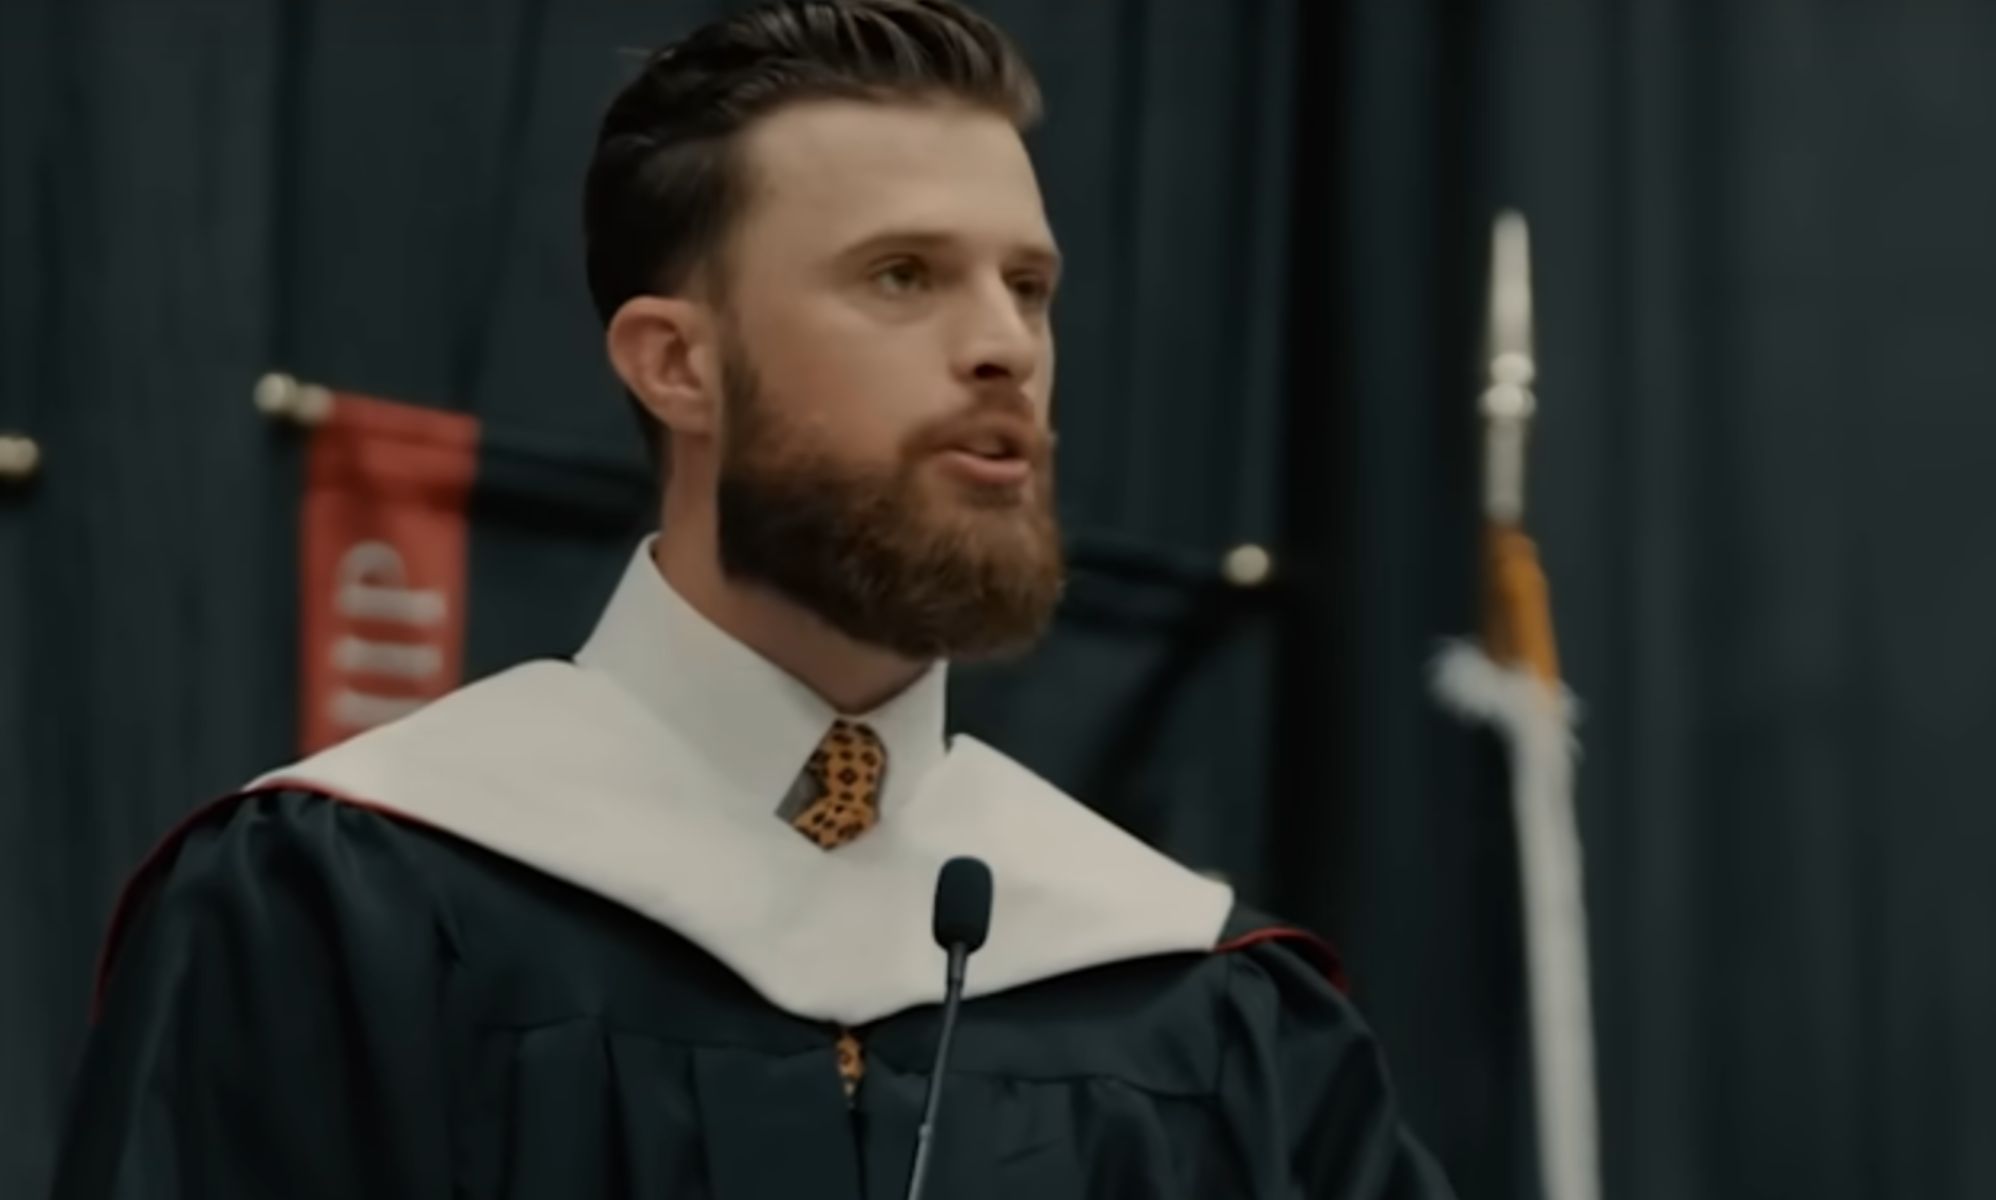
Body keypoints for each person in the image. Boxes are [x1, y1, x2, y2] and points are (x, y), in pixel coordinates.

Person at [53, 2, 1454, 1196]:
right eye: (903, 276)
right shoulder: (343, 911)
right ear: (676, 363)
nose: (1002, 349)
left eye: (1028, 288)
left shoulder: (1200, 1000)